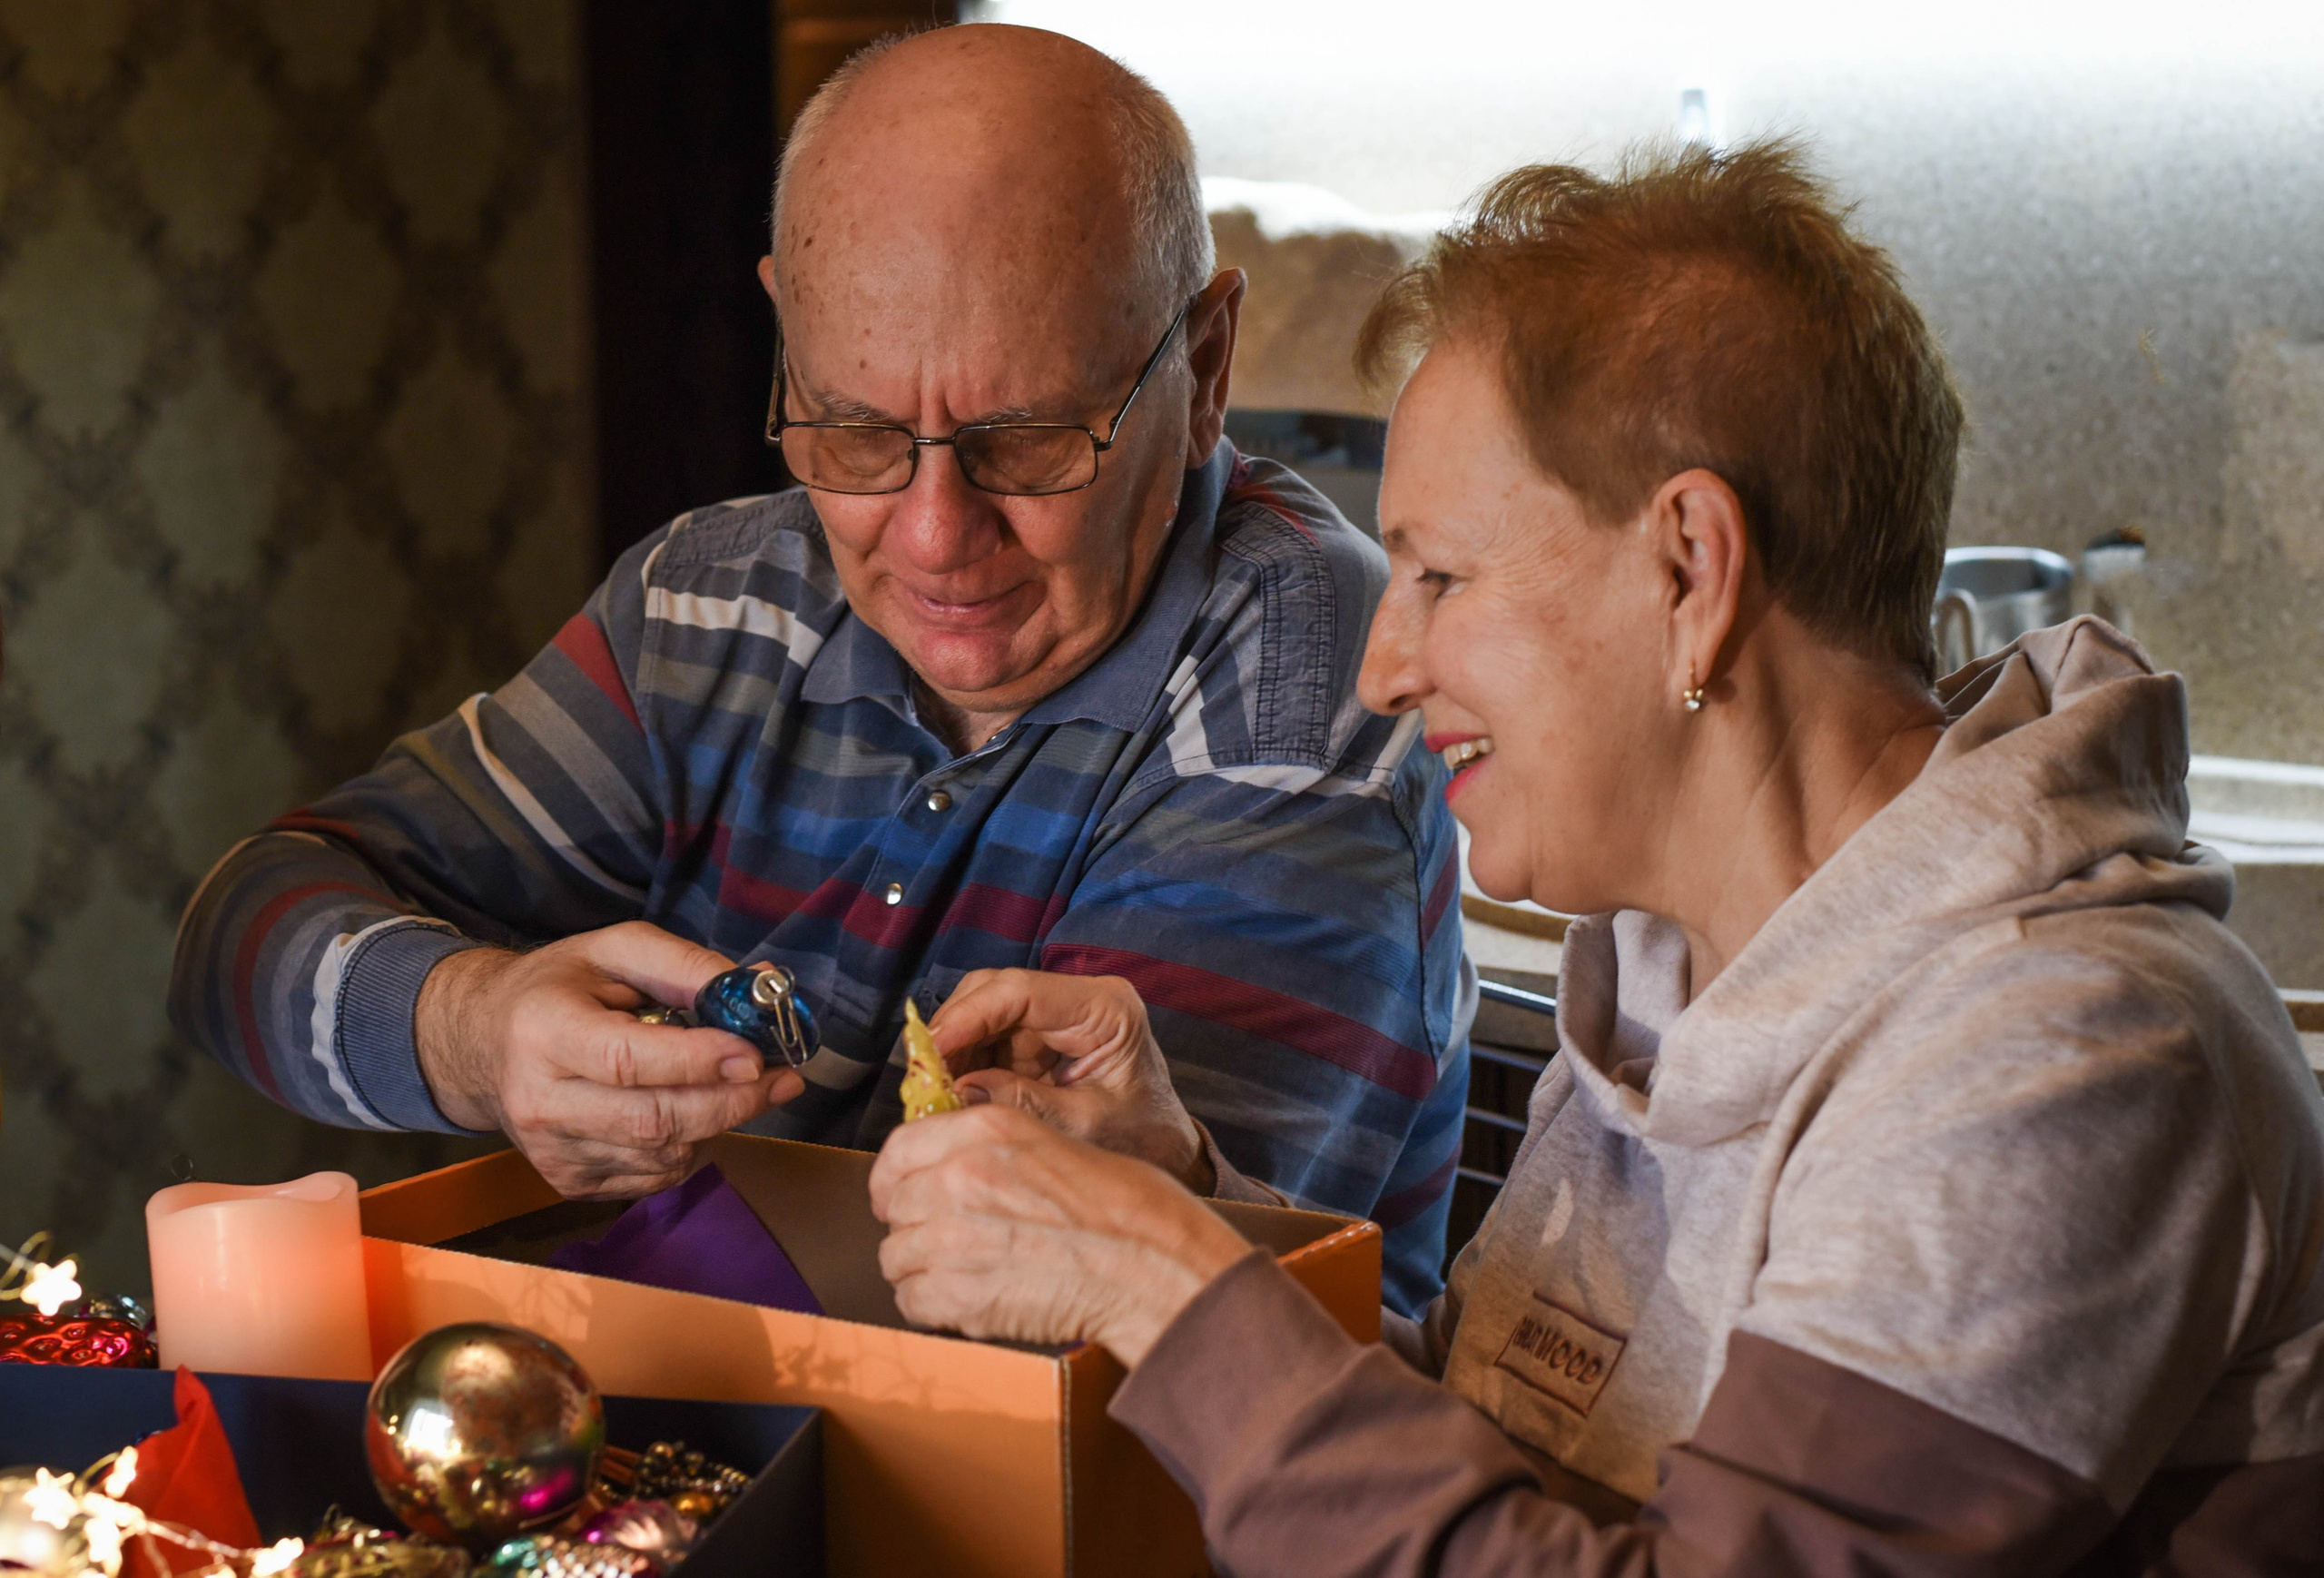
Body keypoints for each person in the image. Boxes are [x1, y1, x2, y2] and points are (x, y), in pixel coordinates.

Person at [868, 142, 2324, 1572]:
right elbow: (1505, 1472)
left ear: (1689, 567)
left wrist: (1159, 1279)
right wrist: (1178, 1194)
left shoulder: (2057, 1050)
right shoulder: (1679, 970)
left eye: (1439, 574)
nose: (1383, 667)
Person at [167, 24, 1472, 1312]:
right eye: (853, 430)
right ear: (786, 335)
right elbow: (237, 932)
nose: (933, 536)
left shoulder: (1307, 683)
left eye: (1025, 442)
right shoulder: (709, 601)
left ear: (1202, 366)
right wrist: (473, 1029)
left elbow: (1061, 1331)